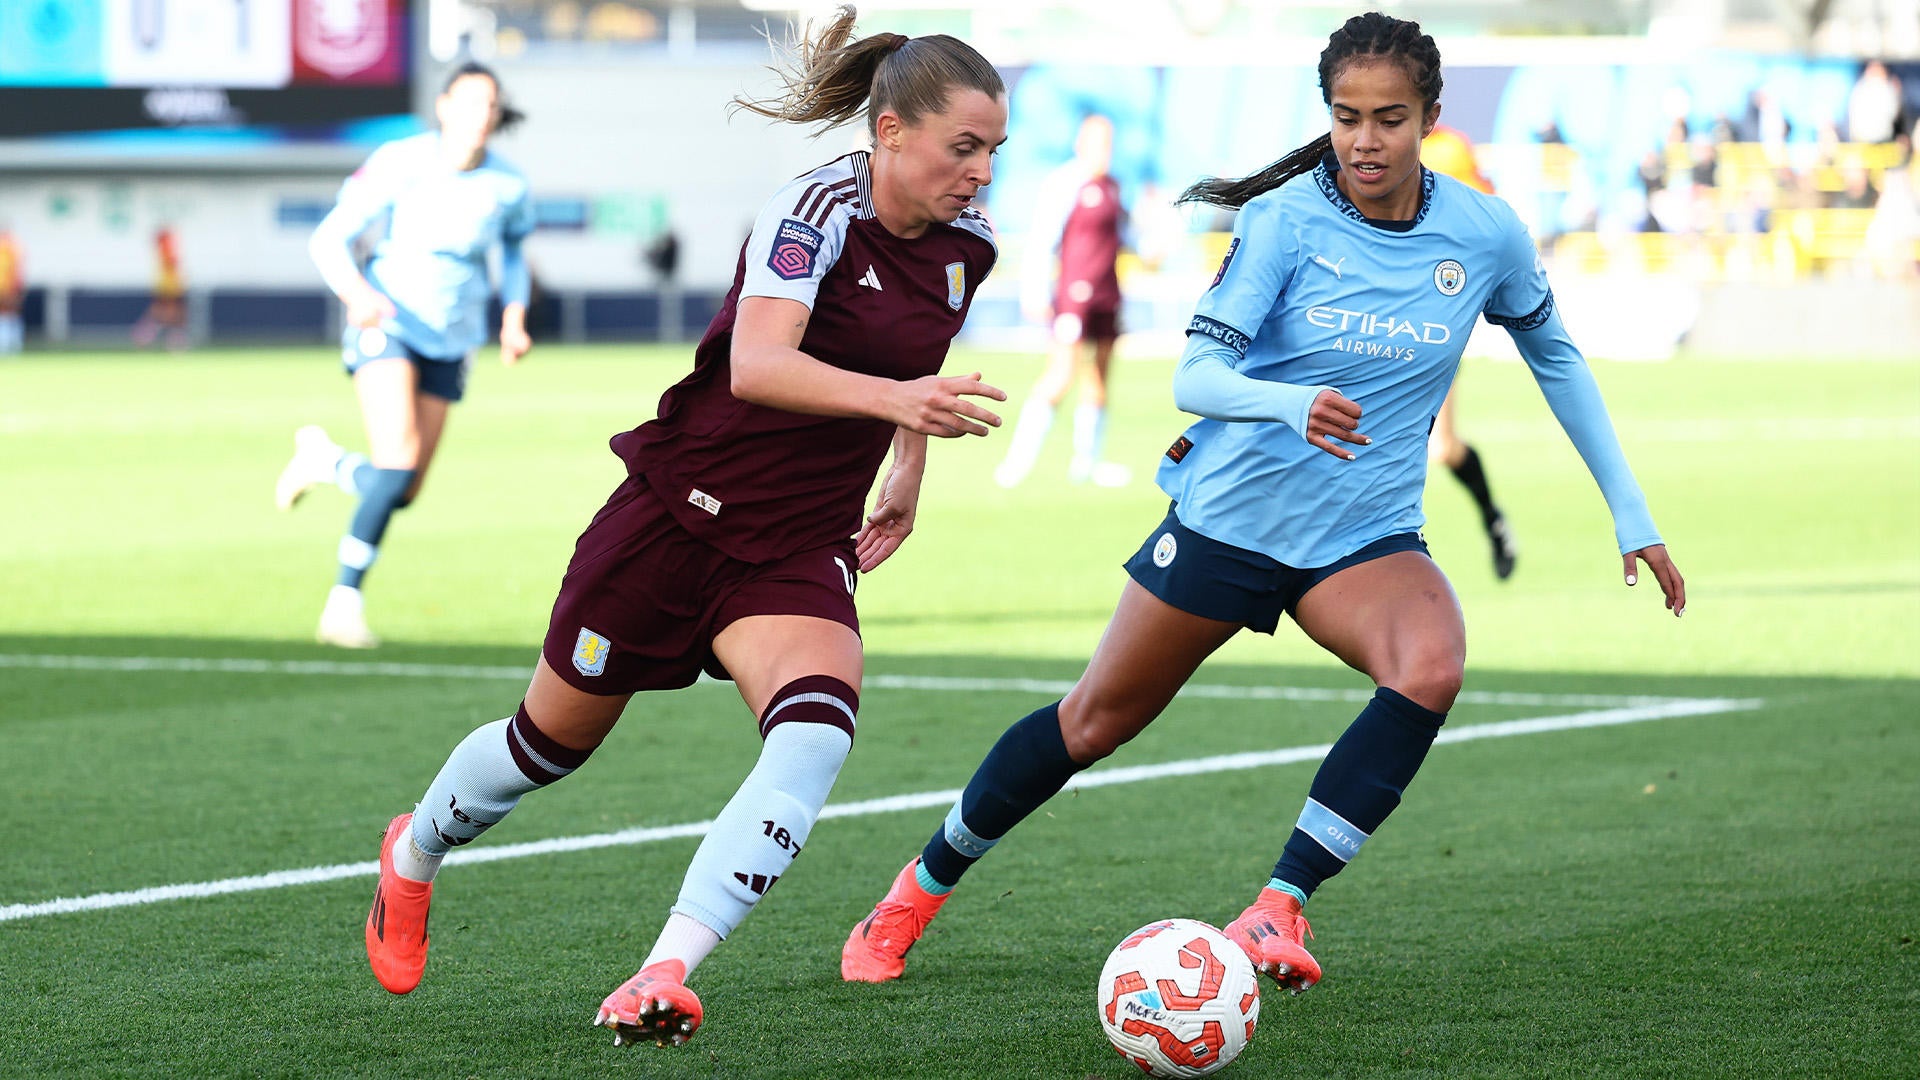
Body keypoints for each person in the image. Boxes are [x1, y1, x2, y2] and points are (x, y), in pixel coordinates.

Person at [842, 11, 1684, 995]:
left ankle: (1278, 906)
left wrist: (1631, 512)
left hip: (1362, 537)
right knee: (1092, 723)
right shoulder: (1285, 220)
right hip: (1229, 522)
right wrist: (1291, 403)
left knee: (1431, 666)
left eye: (1390, 119)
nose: (1366, 140)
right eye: (1347, 117)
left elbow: (1557, 359)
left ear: (1430, 118)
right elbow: (1195, 377)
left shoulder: (1484, 232)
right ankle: (913, 892)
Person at [360, 5, 1009, 1050]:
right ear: (891, 131)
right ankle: (414, 853)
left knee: (815, 733)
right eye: (964, 147)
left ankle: (664, 971)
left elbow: (911, 366)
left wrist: (908, 462)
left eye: (993, 151)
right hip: (676, 516)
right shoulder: (813, 209)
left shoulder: (969, 248)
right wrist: (899, 407)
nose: (980, 172)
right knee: (544, 747)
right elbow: (758, 365)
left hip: (798, 541)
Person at [275, 61, 535, 649]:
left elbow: (515, 257)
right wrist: (357, 294)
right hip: (388, 321)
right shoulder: (400, 161)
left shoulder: (509, 185)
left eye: (490, 105)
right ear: (443, 107)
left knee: (406, 487)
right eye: (469, 103)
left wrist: (514, 317)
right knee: (395, 465)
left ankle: (325, 463)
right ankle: (343, 606)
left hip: (454, 334)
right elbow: (329, 237)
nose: (480, 116)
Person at [994, 112, 1131, 488]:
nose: (1104, 150)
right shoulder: (1065, 183)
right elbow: (1044, 239)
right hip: (1074, 294)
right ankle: (1017, 463)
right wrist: (1035, 290)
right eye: (1098, 142)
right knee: (1060, 374)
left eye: (1108, 142)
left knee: (1098, 376)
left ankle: (1088, 463)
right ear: (1081, 144)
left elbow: (1123, 237)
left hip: (1107, 293)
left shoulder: (1114, 185)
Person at [1420, 122, 1517, 578]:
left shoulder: (1449, 149)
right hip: (1371, 317)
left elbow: (1487, 218)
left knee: (1442, 448)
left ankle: (1493, 520)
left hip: (1431, 318)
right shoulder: (1363, 144)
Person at [130, 226, 187, 351]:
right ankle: (147, 337)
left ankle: (146, 337)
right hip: (168, 288)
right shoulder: (167, 254)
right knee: (167, 316)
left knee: (170, 317)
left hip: (170, 287)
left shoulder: (168, 253)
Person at [0, 226, 21, 355]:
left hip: (8, 288)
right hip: (9, 288)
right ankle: (11, 346)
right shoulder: (14, 249)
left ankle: (8, 346)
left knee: (8, 315)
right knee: (10, 315)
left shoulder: (12, 250)